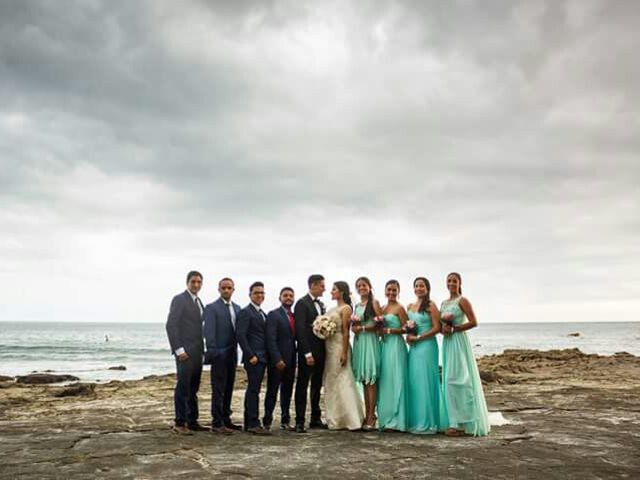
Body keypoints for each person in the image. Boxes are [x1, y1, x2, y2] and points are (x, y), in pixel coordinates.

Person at [440, 272, 490, 437]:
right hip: (448, 344)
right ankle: (454, 421)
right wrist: (444, 329)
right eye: (449, 281)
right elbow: (441, 326)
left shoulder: (463, 300)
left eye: (454, 281)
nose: (451, 283)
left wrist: (454, 328)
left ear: (460, 283)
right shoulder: (444, 303)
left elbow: (473, 322)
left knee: (460, 380)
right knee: (448, 381)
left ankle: (464, 423)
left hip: (459, 342)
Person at [165, 270, 207, 434]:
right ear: (187, 283)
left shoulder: (199, 302)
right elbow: (171, 325)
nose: (196, 285)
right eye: (193, 282)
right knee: (183, 387)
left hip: (197, 352)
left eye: (198, 282)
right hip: (184, 352)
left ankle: (192, 421)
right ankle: (180, 422)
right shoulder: (179, 299)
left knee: (193, 388)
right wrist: (178, 349)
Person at [406, 277, 446, 434]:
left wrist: (420, 338)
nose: (419, 288)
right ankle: (415, 420)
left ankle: (428, 422)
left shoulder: (431, 305)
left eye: (422, 286)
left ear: (427, 288)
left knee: (426, 382)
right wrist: (408, 337)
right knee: (414, 382)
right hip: (414, 348)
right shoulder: (410, 306)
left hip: (427, 346)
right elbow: (408, 327)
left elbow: (437, 328)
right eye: (416, 286)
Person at [323, 281, 365, 430]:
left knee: (343, 379)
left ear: (341, 292)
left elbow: (346, 331)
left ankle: (350, 418)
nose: (331, 292)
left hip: (340, 346)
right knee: (331, 381)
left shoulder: (346, 308)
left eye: (334, 289)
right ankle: (335, 417)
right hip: (329, 346)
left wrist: (344, 351)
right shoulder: (331, 308)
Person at [203, 277, 242, 434]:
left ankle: (226, 419)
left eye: (229, 288)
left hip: (233, 354)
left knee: (229, 388)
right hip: (219, 354)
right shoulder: (211, 308)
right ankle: (217, 423)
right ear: (219, 290)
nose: (226, 290)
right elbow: (208, 332)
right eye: (223, 288)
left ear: (233, 290)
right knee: (218, 389)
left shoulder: (238, 308)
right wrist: (213, 352)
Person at [236, 281, 271, 435]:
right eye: (256, 292)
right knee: (253, 390)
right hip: (254, 358)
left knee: (254, 389)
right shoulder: (246, 312)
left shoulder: (262, 313)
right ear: (250, 295)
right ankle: (253, 423)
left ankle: (248, 422)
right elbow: (241, 335)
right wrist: (250, 355)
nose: (260, 295)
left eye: (262, 293)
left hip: (263, 357)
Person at [293, 274, 327, 433]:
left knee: (317, 385)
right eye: (322, 286)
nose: (324, 289)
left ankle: (315, 418)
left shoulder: (321, 304)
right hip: (308, 353)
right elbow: (300, 330)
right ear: (313, 285)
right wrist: (307, 354)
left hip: (321, 352)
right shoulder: (301, 303)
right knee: (302, 385)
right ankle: (300, 421)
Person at [264, 287, 298, 431]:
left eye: (291, 295)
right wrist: (277, 359)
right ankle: (267, 420)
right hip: (277, 361)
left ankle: (285, 420)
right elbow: (270, 339)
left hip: (291, 360)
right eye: (285, 295)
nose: (288, 298)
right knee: (272, 391)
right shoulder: (273, 315)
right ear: (280, 298)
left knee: (287, 391)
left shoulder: (294, 316)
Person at [377, 279, 409, 432]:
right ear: (385, 291)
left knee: (397, 379)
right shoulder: (382, 309)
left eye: (394, 290)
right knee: (385, 380)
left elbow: (407, 329)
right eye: (389, 289)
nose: (391, 293)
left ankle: (397, 420)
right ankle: (386, 418)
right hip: (384, 346)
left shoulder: (400, 308)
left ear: (398, 292)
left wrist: (389, 331)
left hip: (396, 345)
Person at [351, 276, 382, 431]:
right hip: (359, 343)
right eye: (359, 285)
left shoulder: (374, 303)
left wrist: (362, 328)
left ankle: (372, 415)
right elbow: (354, 325)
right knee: (364, 379)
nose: (361, 287)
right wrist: (354, 328)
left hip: (370, 342)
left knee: (371, 379)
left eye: (364, 285)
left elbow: (379, 326)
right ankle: (366, 413)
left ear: (369, 287)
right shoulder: (357, 305)